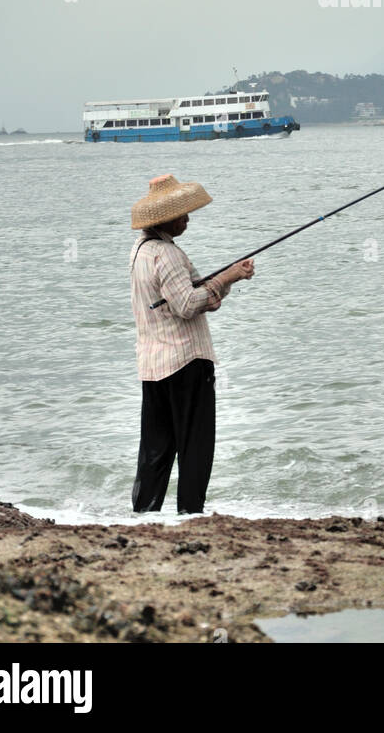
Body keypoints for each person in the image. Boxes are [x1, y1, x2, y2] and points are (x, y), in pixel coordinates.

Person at [128, 173, 254, 513]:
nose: (188, 217)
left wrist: (226, 280)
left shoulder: (141, 251)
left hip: (153, 366)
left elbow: (193, 297)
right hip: (186, 362)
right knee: (195, 443)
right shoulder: (167, 255)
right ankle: (189, 514)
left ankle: (144, 514)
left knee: (156, 448)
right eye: (182, 212)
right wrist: (227, 277)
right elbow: (187, 305)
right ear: (165, 217)